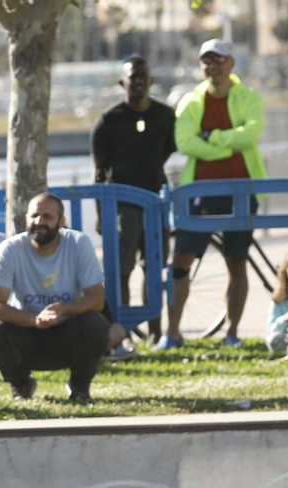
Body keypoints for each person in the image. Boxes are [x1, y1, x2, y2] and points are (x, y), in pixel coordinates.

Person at [162, 39, 266, 349]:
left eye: (219, 60)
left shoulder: (248, 97)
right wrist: (226, 145)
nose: (212, 66)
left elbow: (251, 134)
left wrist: (211, 138)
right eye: (206, 60)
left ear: (231, 63)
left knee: (237, 261)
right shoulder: (190, 101)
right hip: (200, 192)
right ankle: (172, 334)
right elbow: (185, 142)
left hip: (241, 190)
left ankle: (232, 334)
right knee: (181, 261)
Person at [0, 193, 110, 403]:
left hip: (67, 332)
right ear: (26, 219)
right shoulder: (9, 248)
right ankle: (20, 384)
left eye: (47, 217)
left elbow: (96, 299)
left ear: (61, 222)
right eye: (34, 216)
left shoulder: (79, 243)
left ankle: (79, 387)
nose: (39, 222)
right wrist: (35, 319)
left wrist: (63, 310)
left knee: (96, 324)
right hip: (25, 332)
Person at [92, 56, 176, 349]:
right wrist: (101, 213)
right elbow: (99, 171)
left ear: (150, 80)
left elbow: (165, 153)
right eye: (132, 77)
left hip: (155, 204)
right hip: (121, 207)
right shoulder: (108, 120)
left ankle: (156, 334)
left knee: (154, 270)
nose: (138, 81)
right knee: (121, 273)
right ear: (122, 82)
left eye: (143, 76)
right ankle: (123, 334)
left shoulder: (165, 116)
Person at [267, 244, 288, 358]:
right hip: (287, 339)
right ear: (285, 270)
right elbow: (271, 330)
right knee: (274, 339)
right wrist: (285, 319)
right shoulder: (280, 298)